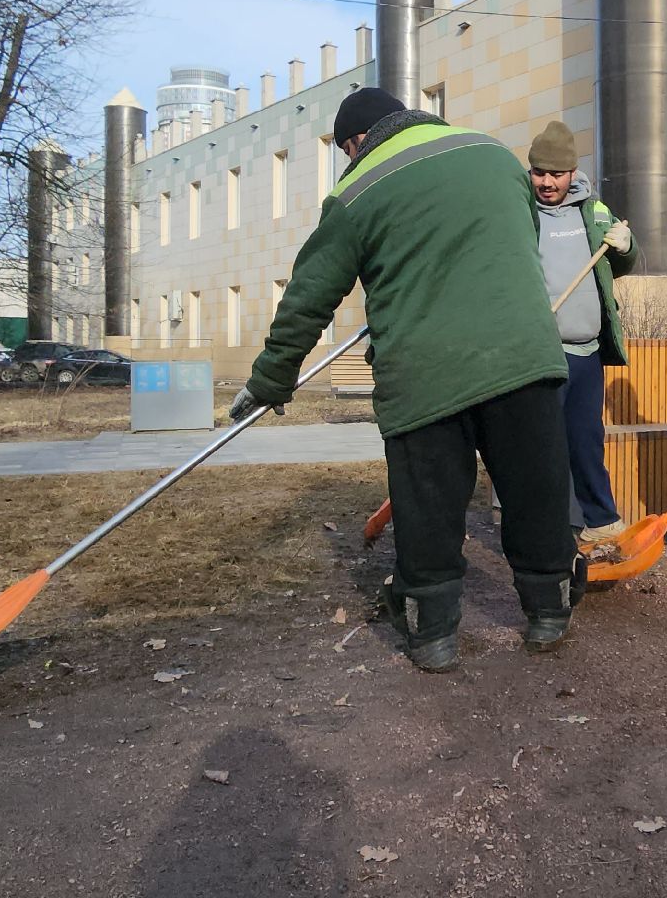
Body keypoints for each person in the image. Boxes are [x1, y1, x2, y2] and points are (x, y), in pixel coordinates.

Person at [230, 88, 581, 672]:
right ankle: (550, 612)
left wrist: (271, 378)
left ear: (357, 141)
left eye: (346, 151)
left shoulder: (354, 192)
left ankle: (433, 635)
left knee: (428, 506)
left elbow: (309, 296)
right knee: (535, 490)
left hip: (424, 372)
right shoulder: (494, 154)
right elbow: (517, 243)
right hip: (522, 356)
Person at [526, 120, 636, 544]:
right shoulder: (522, 213)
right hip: (543, 351)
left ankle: (600, 521)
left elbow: (620, 263)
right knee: (543, 447)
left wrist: (627, 246)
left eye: (556, 173)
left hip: (589, 351)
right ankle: (546, 530)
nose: (547, 182)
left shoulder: (594, 211)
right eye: (539, 172)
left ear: (572, 172)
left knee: (587, 440)